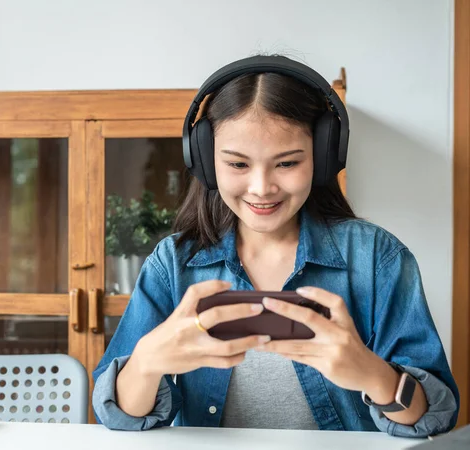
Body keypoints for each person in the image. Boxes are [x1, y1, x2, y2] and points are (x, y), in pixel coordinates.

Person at [92, 55, 459, 437]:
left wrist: (373, 374)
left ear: (321, 156)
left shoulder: (377, 259)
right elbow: (119, 416)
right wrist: (147, 363)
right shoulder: (173, 264)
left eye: (286, 164)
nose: (261, 188)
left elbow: (433, 415)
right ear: (204, 159)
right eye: (237, 165)